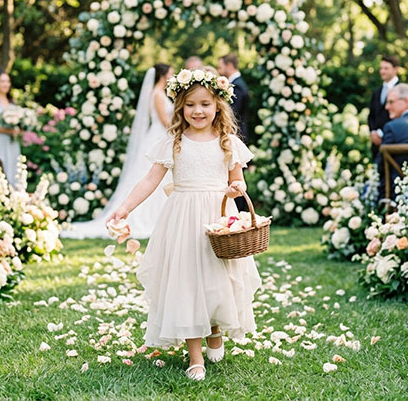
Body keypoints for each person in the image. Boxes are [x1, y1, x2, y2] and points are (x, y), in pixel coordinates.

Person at [107, 67, 261, 381]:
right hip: (182, 218)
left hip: (218, 215)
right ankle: (195, 356)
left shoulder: (227, 142)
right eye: (190, 104)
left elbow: (238, 180)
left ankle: (214, 329)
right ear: (180, 107)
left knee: (218, 280)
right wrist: (123, 208)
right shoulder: (174, 141)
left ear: (218, 104)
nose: (197, 111)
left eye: (205, 103)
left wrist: (236, 190)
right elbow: (149, 181)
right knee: (188, 281)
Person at [62, 64, 174, 239]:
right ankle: (147, 217)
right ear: (163, 76)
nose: (171, 77)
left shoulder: (158, 93)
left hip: (161, 137)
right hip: (160, 137)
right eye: (170, 74)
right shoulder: (158, 95)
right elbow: (164, 120)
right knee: (153, 176)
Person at [374, 83, 408, 194]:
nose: (387, 107)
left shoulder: (392, 127)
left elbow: (380, 166)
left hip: (397, 192)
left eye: (391, 102)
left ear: (406, 101)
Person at [0, 69, 22, 186]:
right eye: (2, 81)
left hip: (12, 142)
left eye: (8, 81)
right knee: (2, 165)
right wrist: (8, 131)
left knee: (15, 166)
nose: (6, 84)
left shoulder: (12, 101)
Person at [367, 55, 401, 158]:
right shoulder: (377, 92)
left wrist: (381, 133)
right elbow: (371, 115)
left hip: (393, 142)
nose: (382, 71)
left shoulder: (402, 90)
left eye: (386, 68)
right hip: (376, 146)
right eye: (381, 68)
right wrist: (373, 132)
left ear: (395, 69)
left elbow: (400, 115)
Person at [217, 54, 250, 143]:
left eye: (220, 67)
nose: (218, 71)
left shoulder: (237, 86)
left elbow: (233, 112)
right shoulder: (237, 83)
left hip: (236, 135)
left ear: (229, 66)